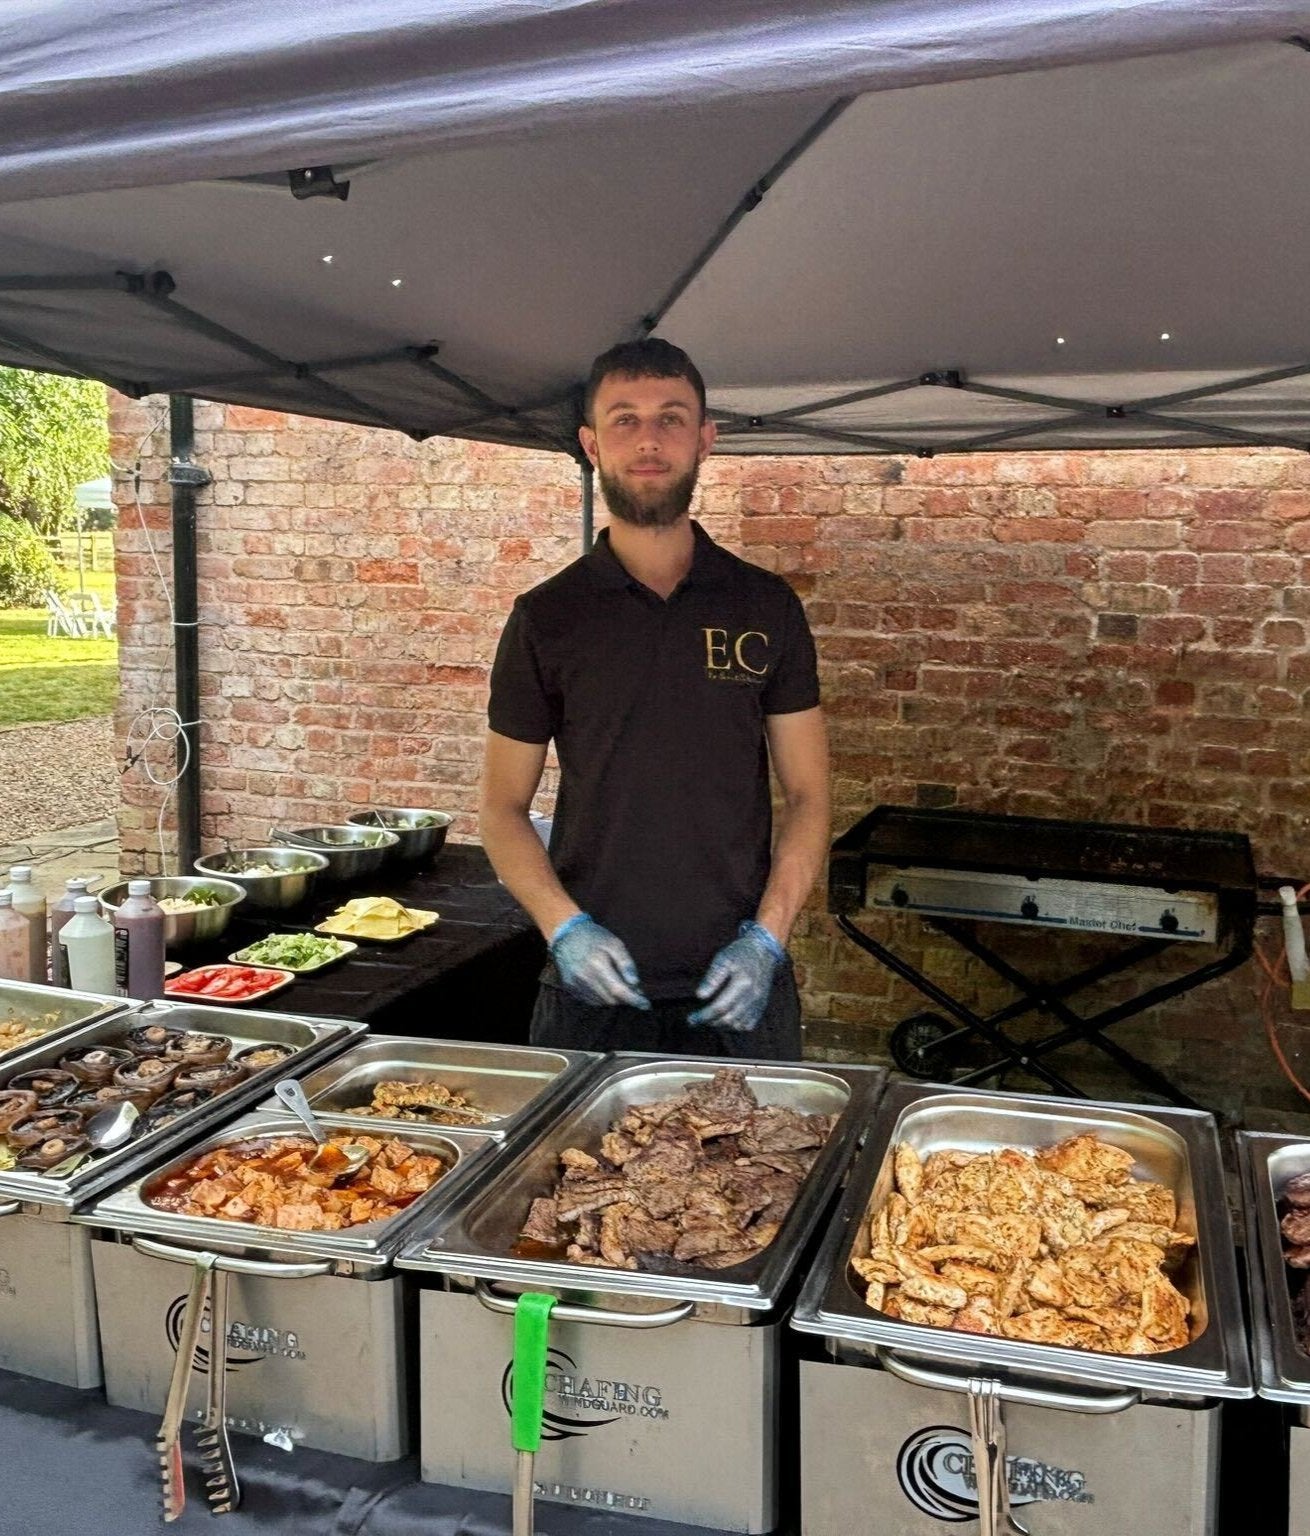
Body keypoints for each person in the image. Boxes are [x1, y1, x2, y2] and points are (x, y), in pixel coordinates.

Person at [479, 338, 829, 1058]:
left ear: (705, 439)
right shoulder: (548, 617)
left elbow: (809, 795)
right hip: (591, 994)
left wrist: (769, 937)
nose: (648, 439)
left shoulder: (765, 606)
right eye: (624, 419)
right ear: (591, 444)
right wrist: (563, 927)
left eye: (671, 418)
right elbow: (501, 809)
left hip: (738, 994)